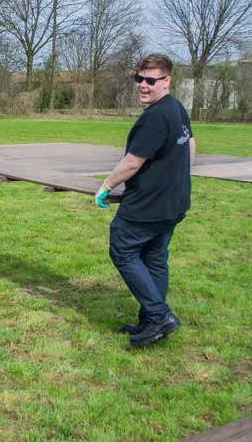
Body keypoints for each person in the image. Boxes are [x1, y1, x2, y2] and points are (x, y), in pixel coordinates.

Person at [94, 53, 196, 348]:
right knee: (154, 257)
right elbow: (190, 144)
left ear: (167, 81)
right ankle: (150, 319)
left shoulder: (155, 116)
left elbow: (132, 162)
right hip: (174, 201)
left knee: (122, 250)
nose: (143, 85)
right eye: (139, 79)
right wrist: (180, 178)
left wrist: (106, 185)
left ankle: (159, 315)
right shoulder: (176, 108)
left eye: (151, 80)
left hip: (149, 204)